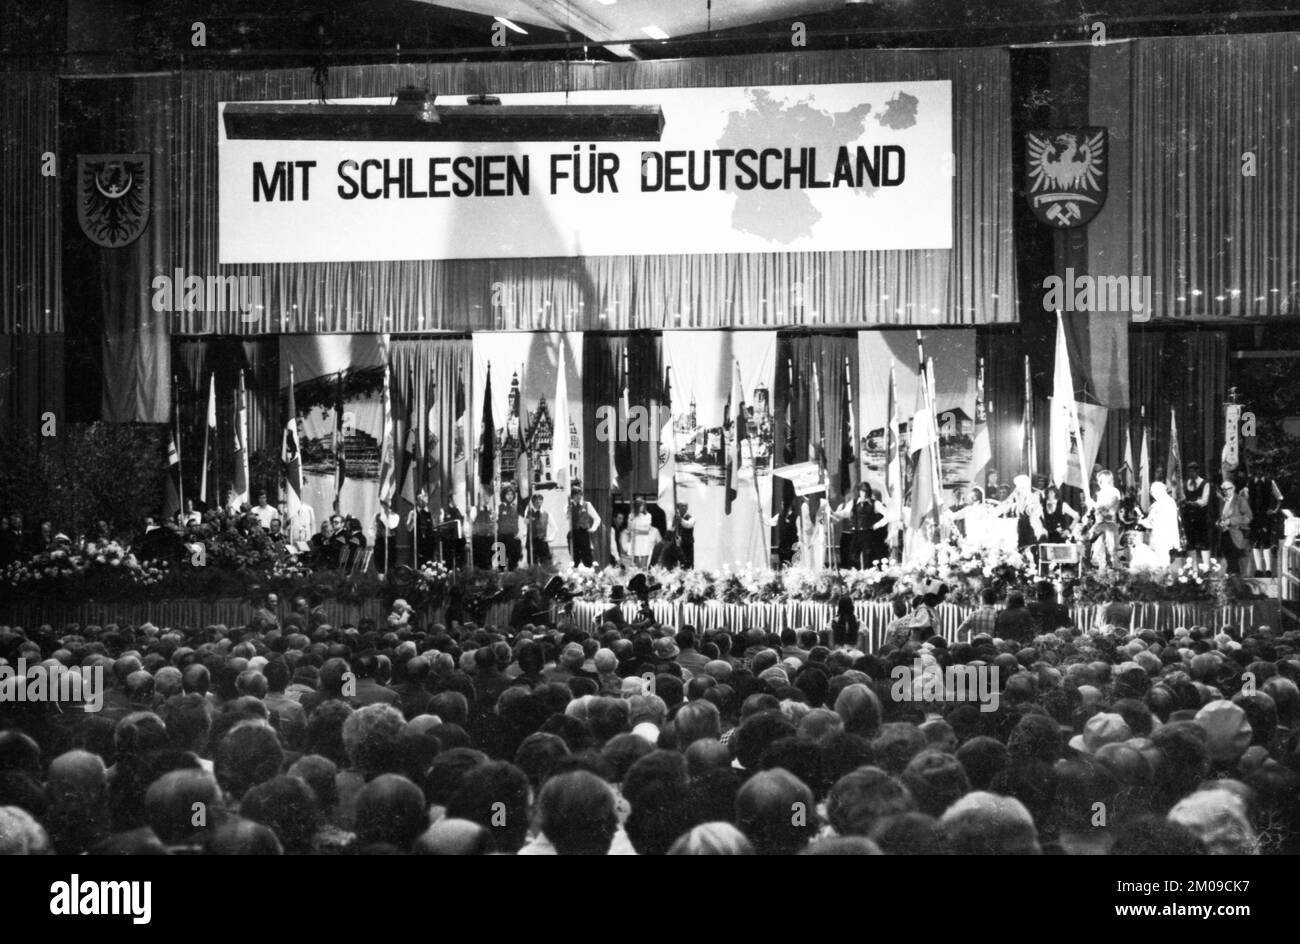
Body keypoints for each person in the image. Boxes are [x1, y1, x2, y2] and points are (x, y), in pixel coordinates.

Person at [1139, 481, 1182, 565]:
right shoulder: (1171, 501)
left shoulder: (1157, 505)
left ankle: (1163, 577)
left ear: (1159, 491)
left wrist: (1140, 521)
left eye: (1153, 492)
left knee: (1160, 562)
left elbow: (1150, 523)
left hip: (1159, 537)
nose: (1152, 494)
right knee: (1164, 560)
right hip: (1169, 537)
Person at [1216, 478, 1253, 575]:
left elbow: (1248, 517)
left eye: (1228, 488)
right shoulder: (1223, 501)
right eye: (1223, 489)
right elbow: (1222, 517)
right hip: (1224, 534)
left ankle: (1236, 582)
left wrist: (1231, 521)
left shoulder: (1240, 500)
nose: (1225, 491)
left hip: (1237, 534)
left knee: (1234, 561)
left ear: (1234, 488)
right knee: (1228, 559)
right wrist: (1219, 522)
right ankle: (1231, 580)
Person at [1087, 470, 1122, 569]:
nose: (1099, 482)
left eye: (1101, 480)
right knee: (1099, 551)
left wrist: (1094, 504)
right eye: (1098, 480)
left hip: (1109, 524)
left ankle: (1115, 571)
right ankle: (1101, 571)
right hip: (1099, 524)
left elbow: (1108, 508)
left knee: (1111, 550)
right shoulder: (1100, 493)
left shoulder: (1114, 491)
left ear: (1107, 479)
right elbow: (1098, 511)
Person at [1181, 462, 1212, 566]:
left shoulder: (1204, 483)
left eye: (1193, 471)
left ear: (1197, 471)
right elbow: (1182, 497)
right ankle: (1193, 568)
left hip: (1200, 517)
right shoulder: (1185, 483)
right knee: (1190, 543)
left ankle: (1206, 567)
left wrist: (1193, 503)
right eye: (1189, 471)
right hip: (1188, 517)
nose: (1191, 473)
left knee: (1204, 542)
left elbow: (1204, 501)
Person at [566, 482, 601, 568]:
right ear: (572, 496)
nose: (578, 497)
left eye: (580, 494)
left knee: (587, 557)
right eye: (576, 495)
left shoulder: (587, 505)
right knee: (575, 558)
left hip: (583, 533)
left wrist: (593, 528)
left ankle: (589, 574)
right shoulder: (568, 506)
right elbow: (567, 518)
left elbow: (597, 518)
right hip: (574, 534)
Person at [523, 492, 554, 566]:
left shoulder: (546, 514)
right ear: (533, 502)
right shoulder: (528, 513)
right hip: (532, 541)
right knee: (532, 564)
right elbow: (525, 526)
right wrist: (523, 535)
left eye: (540, 499)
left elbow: (555, 528)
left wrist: (551, 537)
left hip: (542, 541)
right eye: (536, 500)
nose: (538, 501)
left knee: (546, 564)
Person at [406, 493, 436, 567]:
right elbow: (409, 529)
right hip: (417, 545)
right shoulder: (413, 512)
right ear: (417, 501)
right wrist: (413, 519)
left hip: (428, 545)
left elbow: (432, 527)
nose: (423, 502)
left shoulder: (428, 513)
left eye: (425, 500)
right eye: (421, 500)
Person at [496, 484, 522, 570]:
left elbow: (520, 522)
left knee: (513, 563)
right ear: (503, 495)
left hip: (513, 537)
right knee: (502, 563)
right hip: (502, 537)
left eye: (511, 494)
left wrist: (520, 534)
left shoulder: (516, 507)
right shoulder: (498, 508)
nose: (510, 496)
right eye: (508, 494)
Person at [627, 497, 655, 568]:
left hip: (644, 540)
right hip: (635, 541)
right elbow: (629, 530)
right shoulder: (631, 515)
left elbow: (647, 531)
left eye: (643, 505)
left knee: (643, 564)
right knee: (636, 564)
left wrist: (637, 531)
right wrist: (631, 520)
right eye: (640, 506)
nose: (642, 507)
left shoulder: (648, 516)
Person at [671, 502, 695, 569]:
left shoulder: (691, 518)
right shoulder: (676, 517)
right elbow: (672, 528)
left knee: (688, 562)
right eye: (682, 506)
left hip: (687, 543)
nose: (683, 508)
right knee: (678, 562)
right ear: (678, 507)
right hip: (679, 544)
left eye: (685, 506)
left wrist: (680, 519)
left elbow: (688, 525)